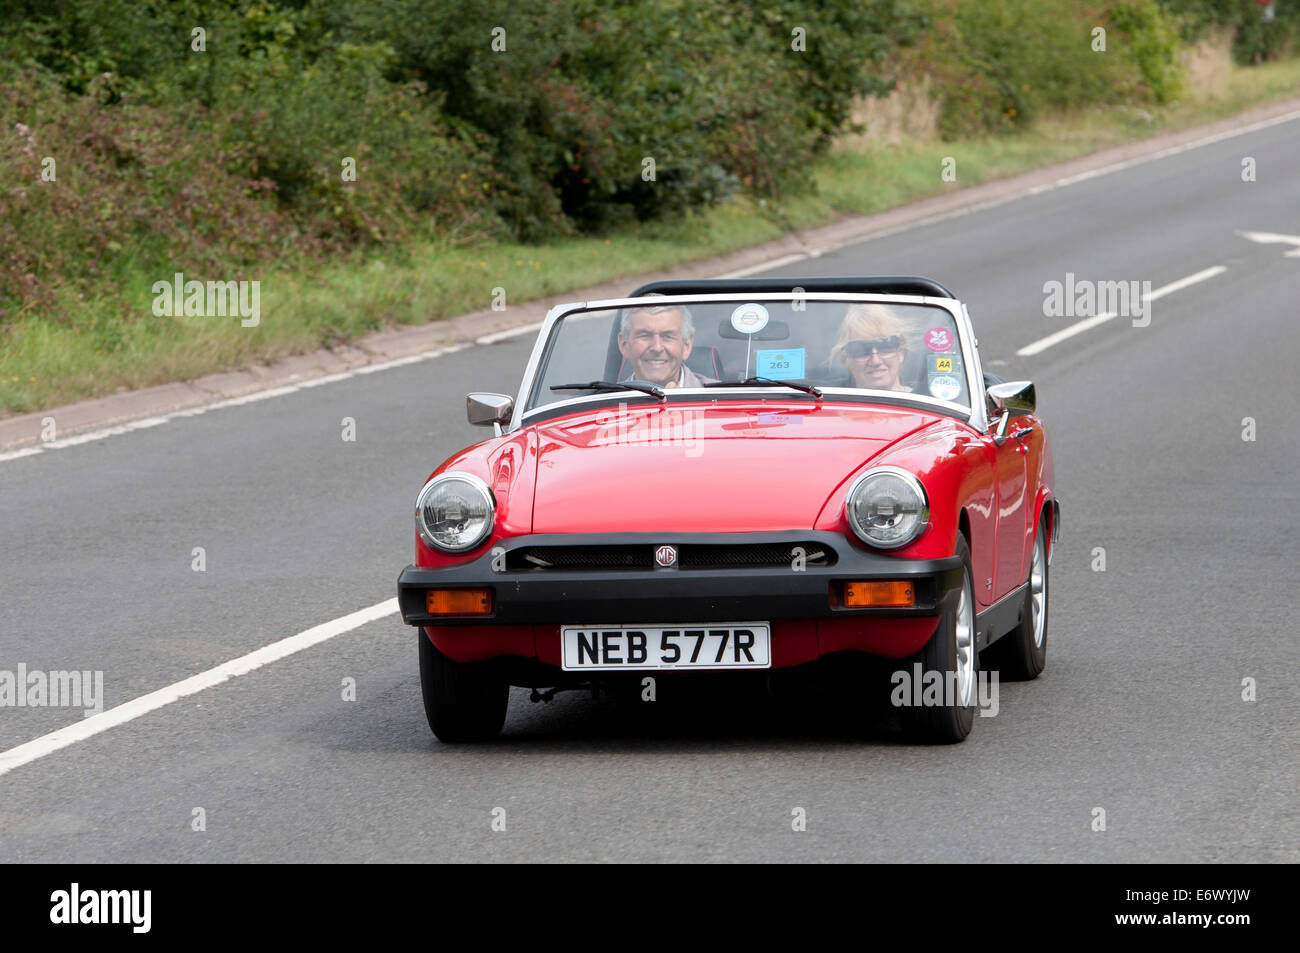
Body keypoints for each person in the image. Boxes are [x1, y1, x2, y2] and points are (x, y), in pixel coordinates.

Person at [618, 303, 717, 388]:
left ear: (686, 346)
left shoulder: (722, 398)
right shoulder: (607, 403)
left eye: (667, 336)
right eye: (645, 335)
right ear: (624, 345)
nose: (657, 347)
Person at [828, 304, 912, 391]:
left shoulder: (923, 401)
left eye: (885, 346)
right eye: (862, 350)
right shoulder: (829, 402)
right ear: (846, 360)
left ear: (901, 353)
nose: (875, 361)